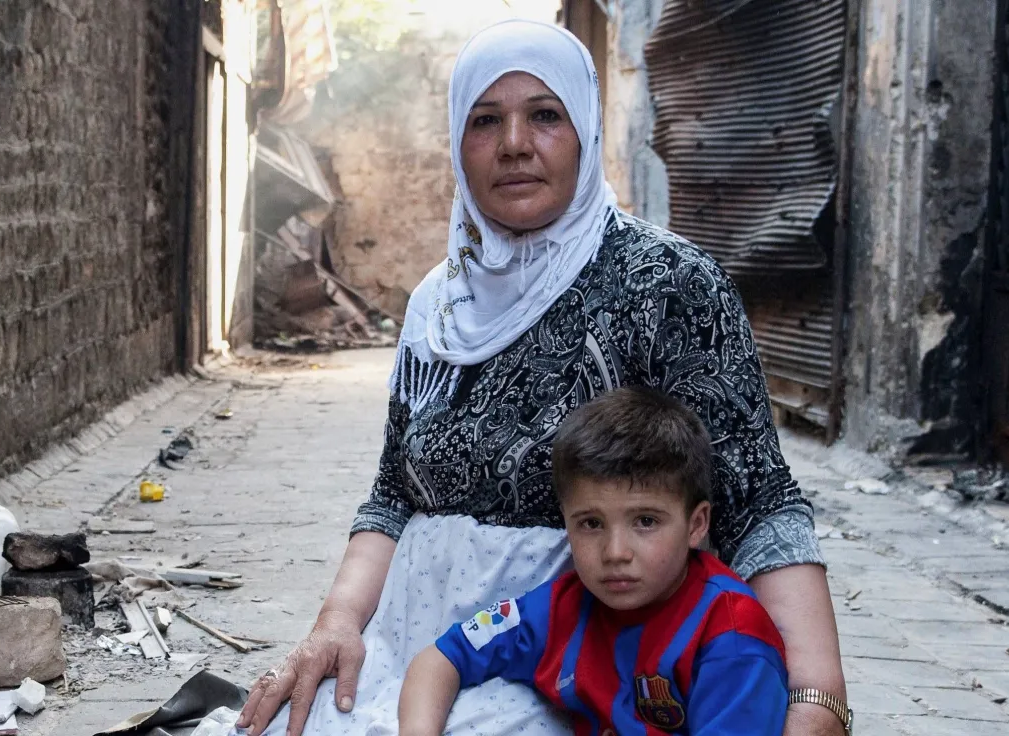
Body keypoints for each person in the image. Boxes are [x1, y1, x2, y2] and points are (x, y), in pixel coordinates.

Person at [236, 18, 849, 736]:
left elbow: (754, 497)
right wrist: (336, 626)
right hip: (418, 655)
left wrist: (816, 693)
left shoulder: (667, 283)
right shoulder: (440, 302)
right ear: (458, 143)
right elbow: (393, 493)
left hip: (577, 665)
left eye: (545, 116)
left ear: (586, 129)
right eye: (485, 120)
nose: (515, 144)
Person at [398, 387, 788, 736]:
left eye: (646, 521)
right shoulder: (558, 609)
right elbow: (442, 657)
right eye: (591, 523)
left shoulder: (730, 635)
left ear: (696, 524)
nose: (615, 552)